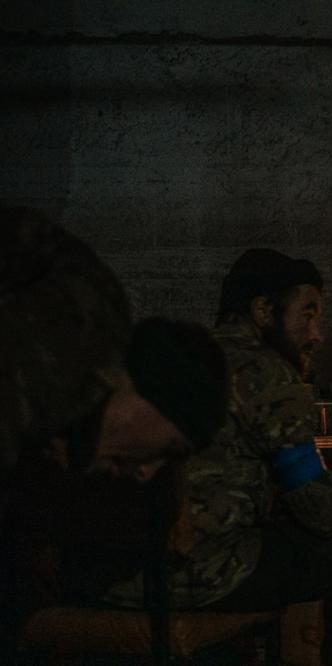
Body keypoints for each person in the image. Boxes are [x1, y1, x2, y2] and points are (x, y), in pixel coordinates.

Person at [103, 248, 332, 665]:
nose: (317, 335)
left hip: (121, 576)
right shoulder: (264, 371)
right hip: (202, 574)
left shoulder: (179, 355)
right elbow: (323, 512)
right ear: (263, 311)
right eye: (308, 314)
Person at [0, 205, 229, 654]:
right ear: (145, 393)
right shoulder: (53, 359)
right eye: (170, 448)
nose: (146, 471)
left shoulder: (72, 393)